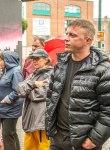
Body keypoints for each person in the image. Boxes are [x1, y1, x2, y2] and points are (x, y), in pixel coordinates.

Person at [45, 19, 110, 150]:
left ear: (88, 40)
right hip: (57, 138)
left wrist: (94, 139)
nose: (66, 39)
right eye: (67, 34)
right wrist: (51, 127)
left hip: (83, 143)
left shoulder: (103, 70)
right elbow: (51, 97)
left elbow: (108, 110)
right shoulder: (60, 65)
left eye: (73, 35)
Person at [18, 49, 53, 150]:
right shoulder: (34, 74)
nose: (34, 61)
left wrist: (27, 90)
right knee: (29, 147)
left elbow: (40, 94)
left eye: (37, 58)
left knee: (43, 147)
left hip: (41, 120)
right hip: (30, 119)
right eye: (33, 59)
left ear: (46, 60)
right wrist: (33, 84)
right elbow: (20, 89)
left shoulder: (51, 74)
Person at [0, 51, 24, 150]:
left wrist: (7, 99)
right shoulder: (6, 71)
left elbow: (18, 90)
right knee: (12, 134)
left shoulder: (15, 71)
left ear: (8, 60)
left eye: (1, 60)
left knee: (7, 135)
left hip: (10, 109)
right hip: (4, 109)